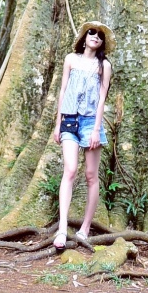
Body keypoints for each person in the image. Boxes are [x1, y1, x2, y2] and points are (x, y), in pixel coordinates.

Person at [51, 22, 113, 251]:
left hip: (90, 123)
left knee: (90, 175)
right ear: (85, 36)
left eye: (100, 35)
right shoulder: (71, 59)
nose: (95, 36)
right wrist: (58, 124)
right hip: (69, 120)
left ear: (103, 42)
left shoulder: (103, 65)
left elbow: (102, 97)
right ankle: (62, 228)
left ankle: (85, 228)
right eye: (92, 32)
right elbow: (63, 90)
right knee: (70, 170)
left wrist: (97, 129)